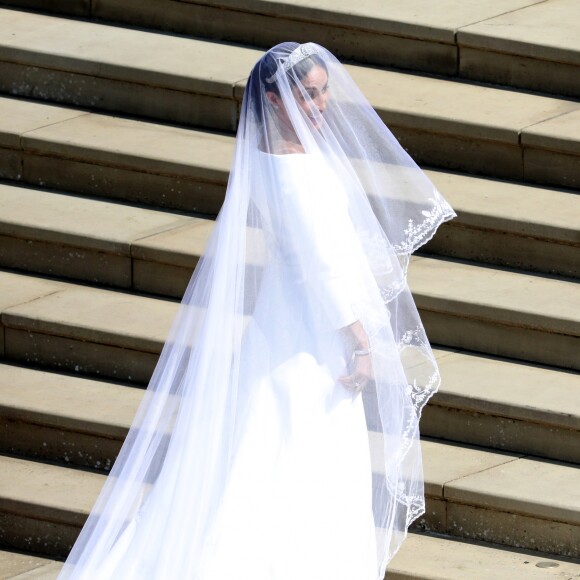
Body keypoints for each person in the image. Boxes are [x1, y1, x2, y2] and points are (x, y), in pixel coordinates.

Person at [58, 42, 455, 580]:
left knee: (269, 449)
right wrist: (361, 343)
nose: (318, 106)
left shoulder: (275, 157)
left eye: (321, 93)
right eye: (305, 95)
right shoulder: (292, 171)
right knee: (300, 453)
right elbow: (320, 268)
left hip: (285, 319)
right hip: (313, 335)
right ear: (273, 99)